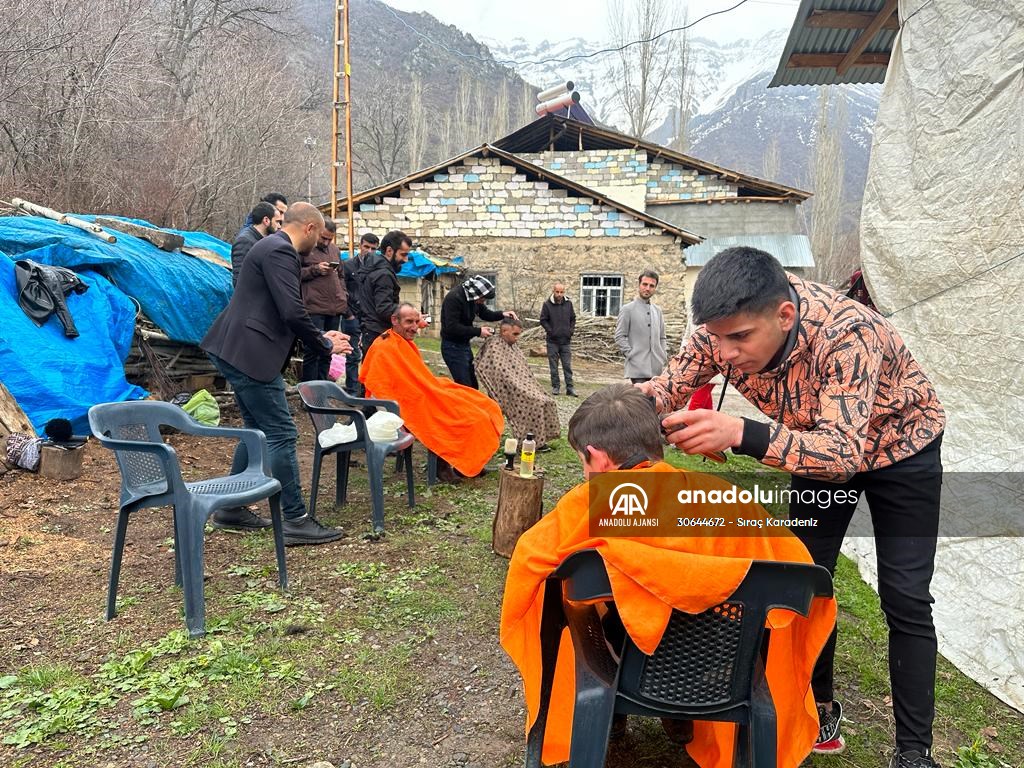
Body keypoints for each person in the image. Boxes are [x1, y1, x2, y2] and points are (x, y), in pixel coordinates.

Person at [641, 247, 946, 768]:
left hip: (901, 449)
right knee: (802, 580)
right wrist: (613, 422)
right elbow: (664, 389)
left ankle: (914, 751)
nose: (726, 352)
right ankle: (818, 706)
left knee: (906, 598)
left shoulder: (848, 333)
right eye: (717, 338)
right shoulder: (719, 334)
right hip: (812, 445)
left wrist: (741, 432)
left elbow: (843, 454)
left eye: (739, 339)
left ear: (784, 316)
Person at [499, 384, 836, 767]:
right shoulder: (726, 498)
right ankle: (683, 718)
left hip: (624, 655)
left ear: (597, 458)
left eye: (583, 463)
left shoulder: (589, 505)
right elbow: (803, 575)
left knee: (580, 599)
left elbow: (529, 562)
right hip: (722, 663)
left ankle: (612, 715)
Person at [201, 202, 352, 546]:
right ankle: (295, 518)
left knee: (255, 429)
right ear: (311, 228)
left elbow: (279, 308)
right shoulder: (281, 250)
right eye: (320, 238)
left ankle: (232, 509)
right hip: (250, 353)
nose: (318, 249)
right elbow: (292, 311)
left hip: (239, 348)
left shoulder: (271, 248)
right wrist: (325, 346)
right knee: (282, 433)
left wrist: (321, 338)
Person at [360, 303, 503, 483]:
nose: (414, 327)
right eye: (409, 322)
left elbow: (417, 376)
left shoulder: (401, 341)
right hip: (409, 402)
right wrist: (427, 393)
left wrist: (433, 388)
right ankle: (444, 466)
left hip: (423, 391)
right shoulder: (384, 346)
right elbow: (382, 388)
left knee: (484, 404)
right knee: (469, 417)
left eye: (416, 321)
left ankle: (470, 461)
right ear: (394, 321)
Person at [473, 317, 560, 448]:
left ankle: (540, 440)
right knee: (535, 402)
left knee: (548, 400)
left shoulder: (513, 347)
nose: (517, 338)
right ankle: (528, 442)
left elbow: (523, 370)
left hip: (523, 385)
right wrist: (519, 386)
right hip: (509, 388)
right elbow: (497, 370)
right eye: (515, 334)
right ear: (504, 331)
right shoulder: (494, 345)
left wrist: (528, 385)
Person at [439, 275, 518, 388]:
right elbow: (452, 327)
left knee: (473, 385)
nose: (483, 302)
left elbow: (485, 314)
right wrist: (478, 331)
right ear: (478, 293)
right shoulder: (454, 298)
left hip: (464, 345)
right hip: (452, 347)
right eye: (483, 299)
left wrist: (502, 314)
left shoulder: (473, 297)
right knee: (465, 386)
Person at [299, 218, 347, 382]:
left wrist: (343, 295)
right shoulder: (304, 248)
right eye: (323, 238)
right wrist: (315, 269)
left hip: (334, 308)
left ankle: (323, 391)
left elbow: (341, 275)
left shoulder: (335, 250)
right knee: (313, 352)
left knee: (330, 351)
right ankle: (308, 394)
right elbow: (294, 274)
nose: (326, 242)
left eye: (329, 239)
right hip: (314, 308)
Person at [355, 229, 411, 354]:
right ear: (390, 251)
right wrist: (408, 315)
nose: (406, 260)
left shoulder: (375, 268)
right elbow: (384, 309)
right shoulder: (384, 274)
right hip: (378, 333)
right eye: (403, 254)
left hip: (371, 331)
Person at [340, 232, 379, 393]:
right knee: (352, 354)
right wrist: (348, 313)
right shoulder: (348, 266)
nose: (369, 251)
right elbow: (342, 291)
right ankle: (352, 390)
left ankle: (366, 389)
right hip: (352, 315)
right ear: (360, 246)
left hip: (370, 318)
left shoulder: (377, 268)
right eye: (366, 247)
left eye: (373, 249)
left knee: (370, 354)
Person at [614, 270, 667, 384]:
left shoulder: (657, 311)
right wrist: (631, 354)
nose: (647, 288)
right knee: (640, 400)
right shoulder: (627, 309)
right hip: (637, 368)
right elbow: (620, 336)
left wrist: (663, 355)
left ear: (655, 288)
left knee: (654, 401)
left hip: (656, 368)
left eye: (651, 286)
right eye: (645, 284)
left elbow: (662, 337)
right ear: (639, 285)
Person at [539, 282, 577, 397]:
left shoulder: (568, 304)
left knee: (567, 366)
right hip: (552, 341)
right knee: (553, 366)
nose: (559, 294)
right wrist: (551, 331)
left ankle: (570, 388)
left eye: (561, 292)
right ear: (553, 291)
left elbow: (573, 318)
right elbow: (543, 320)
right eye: (557, 292)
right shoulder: (547, 305)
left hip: (566, 341)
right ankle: (556, 387)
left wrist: (570, 331)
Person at [231, 201, 282, 285]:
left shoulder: (263, 239)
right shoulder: (244, 241)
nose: (279, 226)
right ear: (266, 220)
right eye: (277, 222)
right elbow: (240, 280)